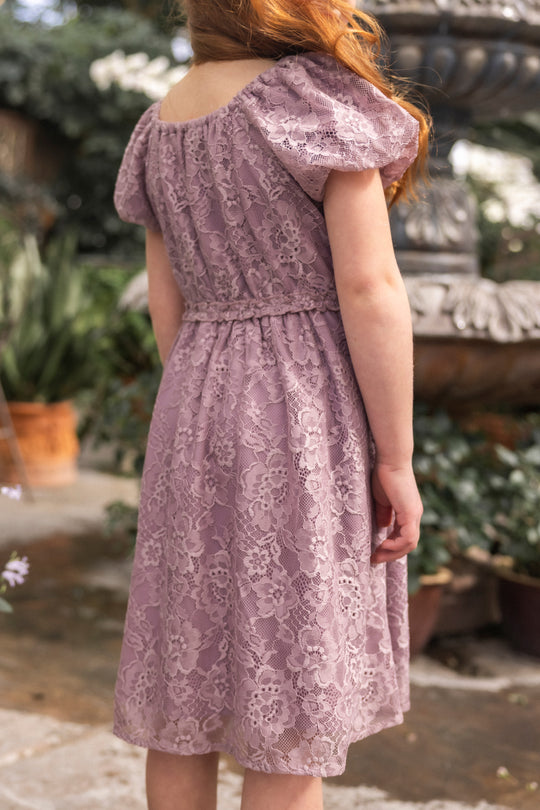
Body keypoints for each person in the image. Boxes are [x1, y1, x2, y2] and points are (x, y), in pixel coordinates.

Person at [113, 1, 430, 808]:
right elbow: (370, 288)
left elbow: (167, 303)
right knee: (293, 697)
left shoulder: (163, 122)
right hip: (302, 408)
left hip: (194, 399)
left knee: (184, 691)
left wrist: (204, 402)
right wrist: (396, 459)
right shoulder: (310, 100)